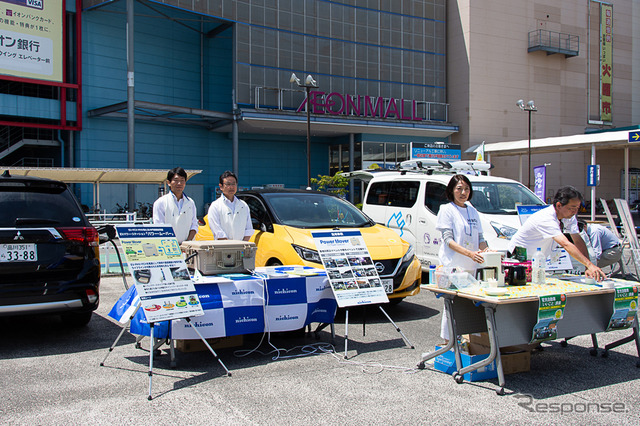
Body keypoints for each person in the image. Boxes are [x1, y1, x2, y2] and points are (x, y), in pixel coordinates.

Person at [508, 186, 606, 281]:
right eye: (572, 208)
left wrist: (587, 267)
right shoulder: (546, 218)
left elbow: (577, 240)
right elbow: (565, 243)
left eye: (577, 208)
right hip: (520, 258)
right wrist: (590, 265)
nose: (575, 211)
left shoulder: (568, 216)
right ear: (559, 205)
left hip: (538, 260)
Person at [436, 174, 488, 342]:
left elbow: (480, 238)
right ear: (452, 190)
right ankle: (448, 342)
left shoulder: (472, 210)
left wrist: (487, 250)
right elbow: (448, 240)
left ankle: (469, 341)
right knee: (452, 305)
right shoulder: (447, 209)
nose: (463, 192)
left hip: (471, 265)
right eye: (459, 188)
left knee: (470, 304)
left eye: (466, 189)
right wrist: (469, 253)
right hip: (453, 266)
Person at [152, 167, 198, 244]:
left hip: (188, 247)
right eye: (176, 180)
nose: (179, 183)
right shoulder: (160, 202)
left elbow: (194, 225)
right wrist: (173, 245)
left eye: (182, 180)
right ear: (168, 182)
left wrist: (187, 243)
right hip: (168, 247)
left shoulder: (190, 202)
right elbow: (159, 227)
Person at [207, 170, 253, 241]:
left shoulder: (243, 205)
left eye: (233, 184)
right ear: (221, 186)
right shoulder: (215, 206)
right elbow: (217, 231)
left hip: (241, 248)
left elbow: (248, 229)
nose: (231, 187)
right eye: (228, 184)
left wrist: (242, 246)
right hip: (222, 248)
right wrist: (230, 247)